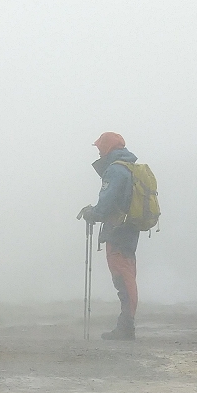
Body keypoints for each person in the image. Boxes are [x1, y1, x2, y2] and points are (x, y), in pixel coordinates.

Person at [78, 131, 141, 340]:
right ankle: (126, 325)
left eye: (99, 147)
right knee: (127, 273)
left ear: (107, 147)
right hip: (129, 229)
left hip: (118, 230)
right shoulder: (128, 167)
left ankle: (126, 327)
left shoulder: (115, 170)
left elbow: (106, 202)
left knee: (122, 276)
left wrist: (93, 213)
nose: (98, 152)